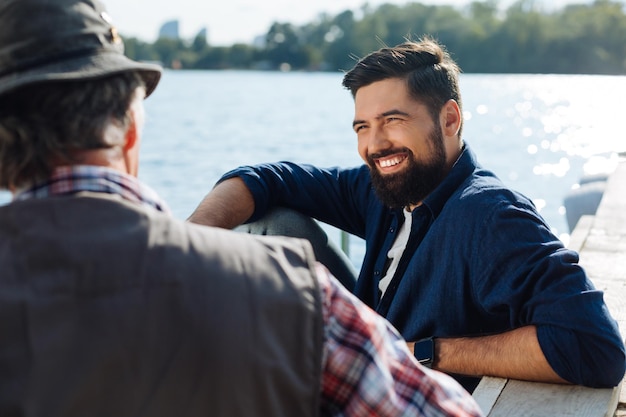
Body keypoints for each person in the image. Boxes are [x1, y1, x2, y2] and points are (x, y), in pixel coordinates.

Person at [0, 2, 485, 416]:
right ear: (130, 129)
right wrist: (187, 247)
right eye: (362, 126)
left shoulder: (480, 210)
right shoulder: (290, 296)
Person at [188, 38, 626, 391]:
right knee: (278, 224)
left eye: (392, 120)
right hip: (364, 376)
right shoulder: (387, 189)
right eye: (362, 127)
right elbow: (266, 177)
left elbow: (596, 347)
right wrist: (182, 242)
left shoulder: (491, 216)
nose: (375, 144)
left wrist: (426, 351)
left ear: (450, 119)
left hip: (418, 396)